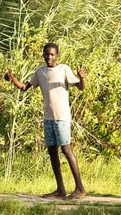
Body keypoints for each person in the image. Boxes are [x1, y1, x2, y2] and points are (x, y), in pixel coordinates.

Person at [5, 42, 88, 200]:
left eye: (52, 54)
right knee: (52, 151)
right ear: (43, 55)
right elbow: (24, 87)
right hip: (48, 118)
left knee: (66, 149)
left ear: (57, 56)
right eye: (46, 54)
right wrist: (12, 78)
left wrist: (82, 78)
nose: (49, 57)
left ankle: (80, 188)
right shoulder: (40, 72)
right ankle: (60, 189)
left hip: (61, 116)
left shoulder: (64, 69)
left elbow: (80, 87)